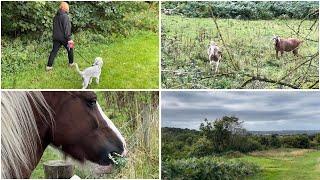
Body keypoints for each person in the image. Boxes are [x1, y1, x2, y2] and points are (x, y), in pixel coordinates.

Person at [46, 2, 74, 71]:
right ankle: (71, 63)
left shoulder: (55, 17)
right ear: (65, 8)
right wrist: (69, 39)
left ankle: (49, 66)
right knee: (71, 49)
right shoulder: (65, 16)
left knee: (54, 51)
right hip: (65, 38)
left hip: (56, 37)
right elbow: (66, 28)